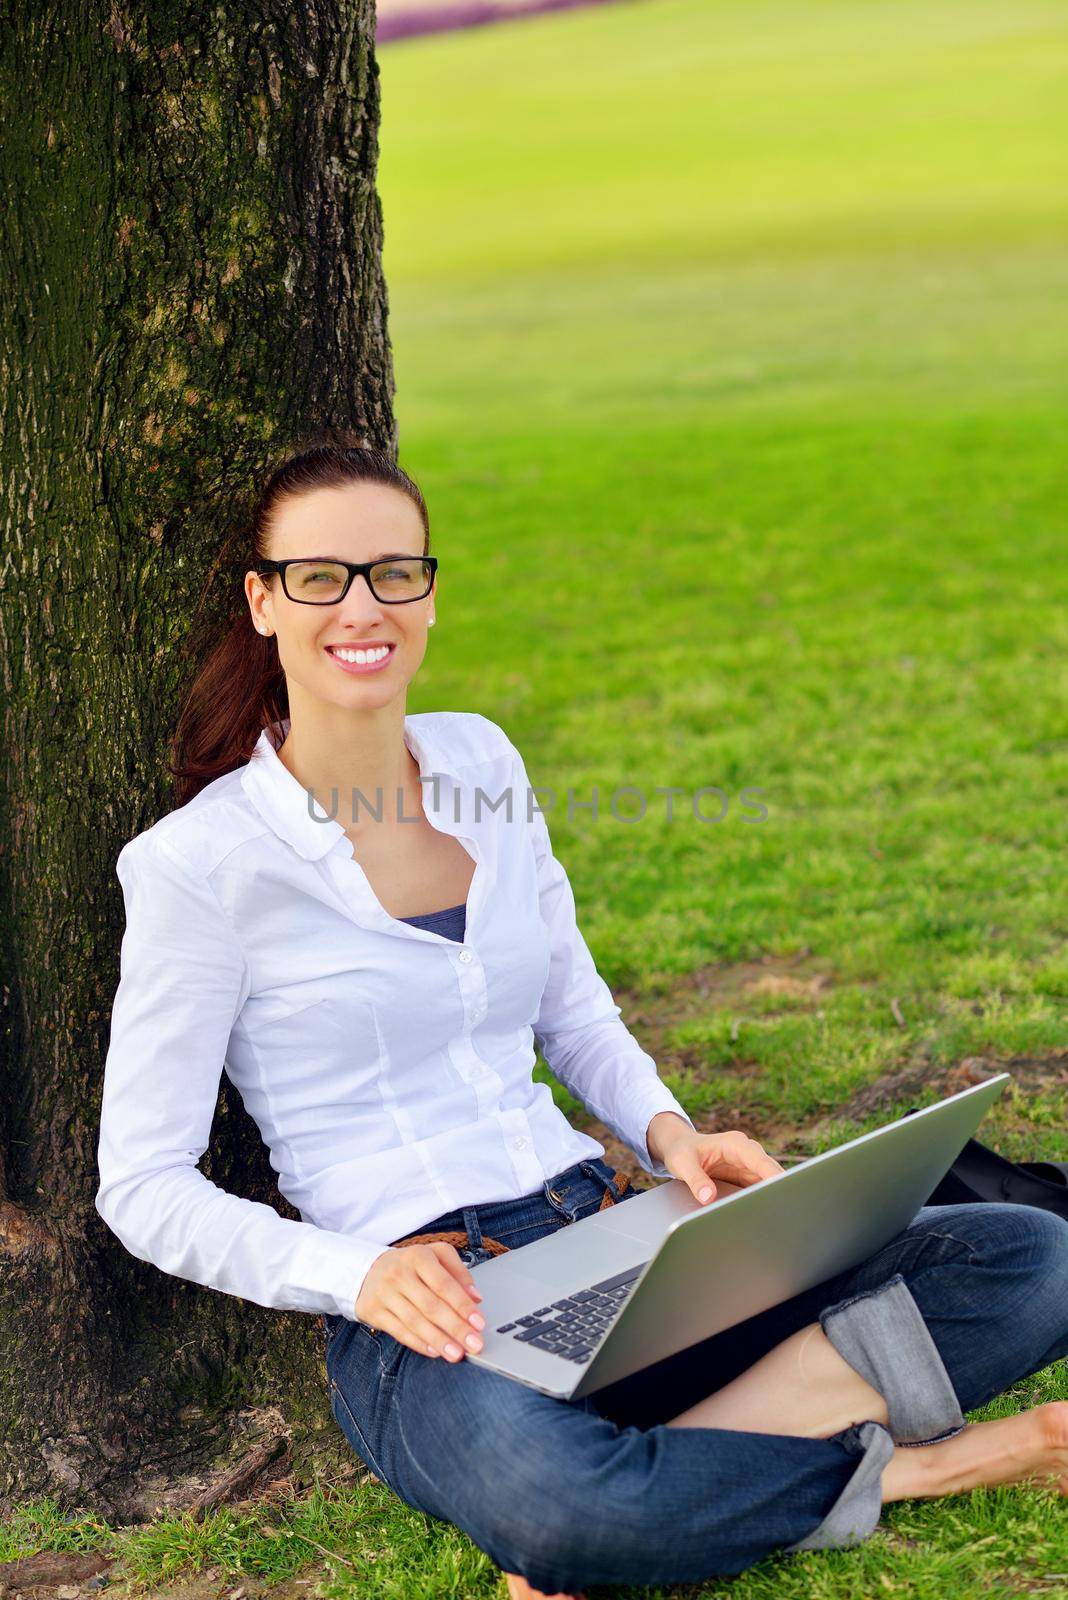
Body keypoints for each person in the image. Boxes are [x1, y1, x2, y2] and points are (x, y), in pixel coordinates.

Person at [96, 434, 1068, 1600]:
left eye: (393, 571)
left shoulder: (480, 758)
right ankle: (925, 1468)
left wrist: (668, 1134)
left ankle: (679, 1464)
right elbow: (140, 1184)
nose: (362, 605)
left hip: (615, 1227)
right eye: (320, 576)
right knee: (557, 1502)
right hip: (433, 1310)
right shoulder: (197, 865)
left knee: (1031, 1255)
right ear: (264, 602)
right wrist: (356, 1277)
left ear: (429, 592)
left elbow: (571, 1006)